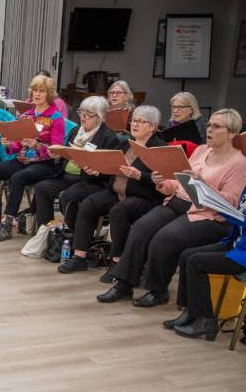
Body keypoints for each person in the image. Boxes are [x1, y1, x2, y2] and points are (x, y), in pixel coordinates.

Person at [98, 109, 246, 307]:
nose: (209, 129)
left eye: (216, 126)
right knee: (142, 228)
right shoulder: (202, 150)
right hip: (176, 201)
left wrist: (203, 184)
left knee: (165, 237)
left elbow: (232, 203)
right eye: (209, 125)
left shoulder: (239, 163)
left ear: (232, 132)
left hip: (206, 214)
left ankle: (157, 290)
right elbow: (179, 181)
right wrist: (163, 183)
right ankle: (123, 284)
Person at [0, 74, 66, 238]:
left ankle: (6, 224)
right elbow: (17, 145)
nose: (36, 94)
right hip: (22, 160)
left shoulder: (56, 118)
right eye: (34, 90)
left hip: (46, 164)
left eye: (41, 91)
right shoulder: (26, 115)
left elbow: (56, 152)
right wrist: (9, 145)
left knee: (18, 177)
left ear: (49, 93)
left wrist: (38, 146)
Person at [55, 104, 161, 274]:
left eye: (141, 122)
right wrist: (97, 171)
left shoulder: (158, 148)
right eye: (134, 121)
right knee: (89, 204)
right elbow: (112, 169)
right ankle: (80, 256)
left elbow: (160, 181)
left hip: (142, 196)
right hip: (116, 190)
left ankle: (116, 262)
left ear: (153, 127)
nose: (134, 125)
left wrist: (139, 175)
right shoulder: (127, 144)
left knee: (119, 211)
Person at [164, 185, 246, 340]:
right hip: (237, 243)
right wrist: (225, 213)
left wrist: (228, 215)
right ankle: (190, 313)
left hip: (243, 254)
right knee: (187, 255)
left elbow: (241, 218)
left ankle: (206, 320)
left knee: (197, 262)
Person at [33, 96, 120, 235]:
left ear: (99, 117)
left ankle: (76, 234)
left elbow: (110, 170)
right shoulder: (75, 131)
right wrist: (58, 156)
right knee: (42, 188)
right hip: (67, 176)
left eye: (88, 114)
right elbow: (66, 155)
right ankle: (45, 232)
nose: (83, 117)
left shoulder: (108, 137)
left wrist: (95, 170)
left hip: (90, 181)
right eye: (81, 112)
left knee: (68, 196)